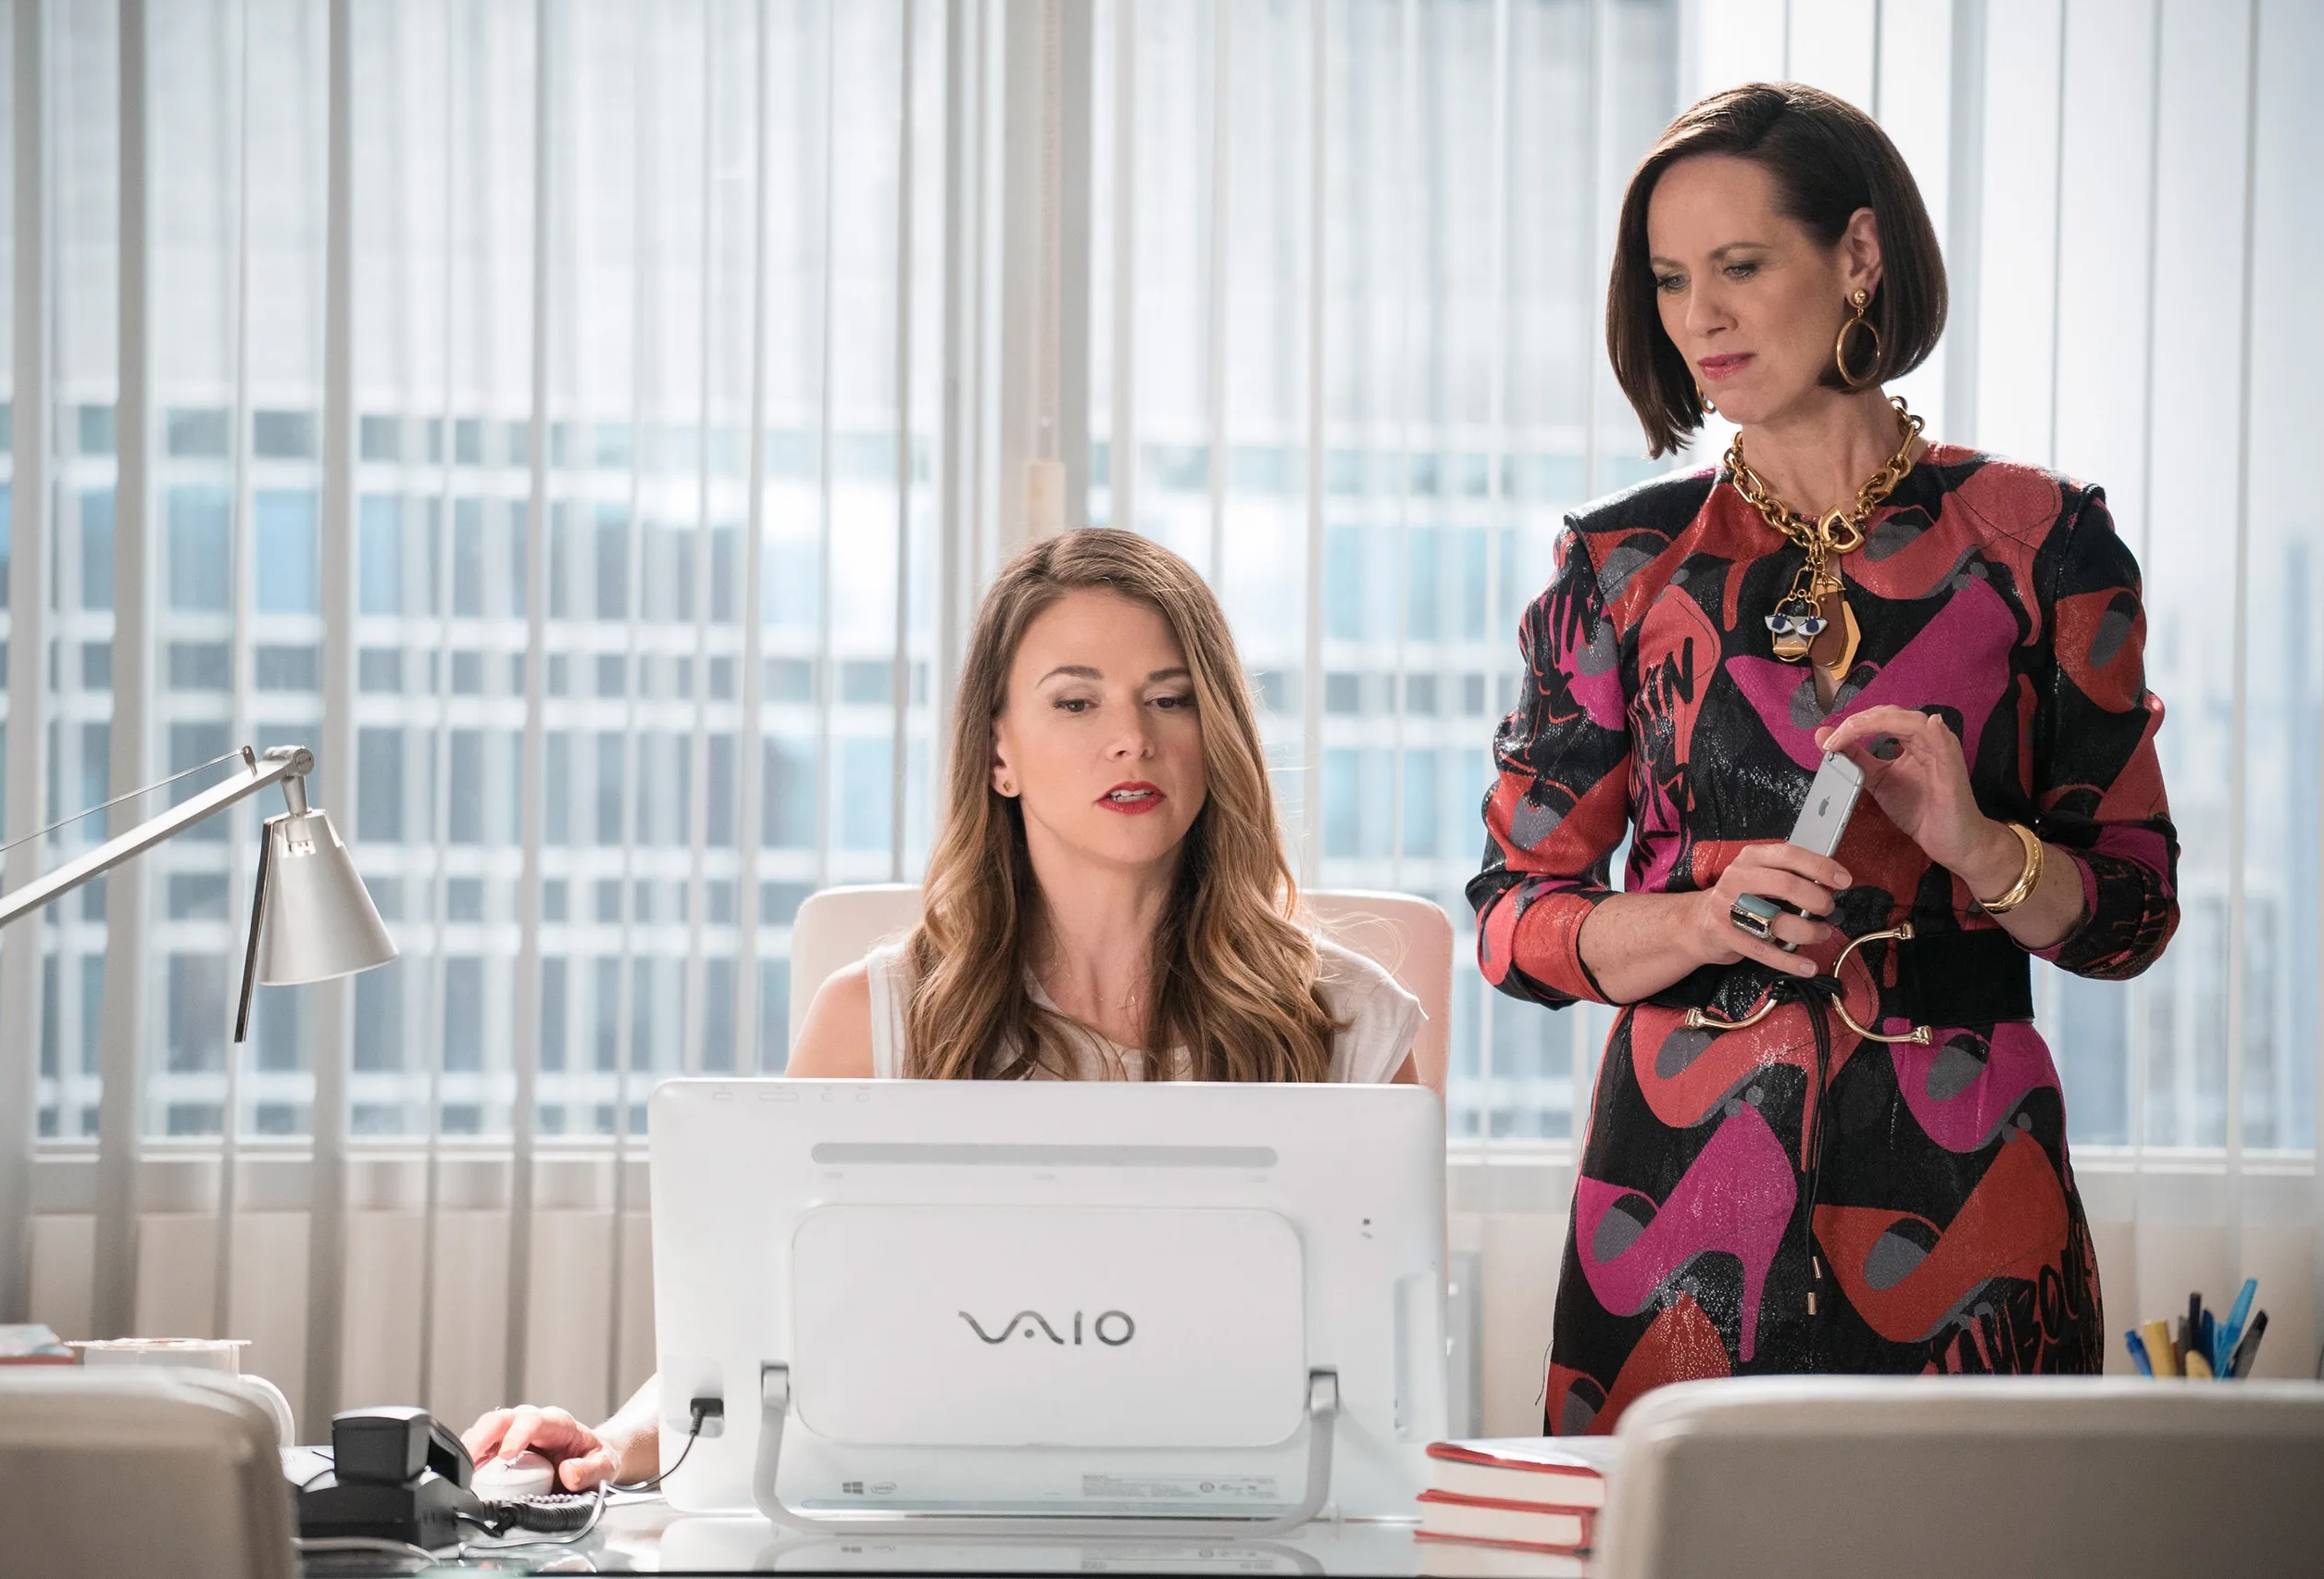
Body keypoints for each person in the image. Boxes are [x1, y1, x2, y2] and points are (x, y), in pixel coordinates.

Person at [1469, 83, 2177, 1435]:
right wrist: (1690, 920)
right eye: (1669, 280)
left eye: (1739, 266)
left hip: (1968, 1201)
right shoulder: (1621, 565)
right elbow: (1513, 918)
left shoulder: (2040, 545)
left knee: (1969, 1530)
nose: (1699, 317)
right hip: (1671, 1208)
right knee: (1674, 1535)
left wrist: (1982, 849)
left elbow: (2130, 916)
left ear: (1856, 254)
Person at [467, 528, 1423, 1486]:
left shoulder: (1347, 1023)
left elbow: (1392, 1377)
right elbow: (751, 1333)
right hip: (937, 1511)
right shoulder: (873, 1018)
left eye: (1169, 698)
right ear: (999, 751)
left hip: (1253, 1512)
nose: (1131, 737)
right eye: (1076, 701)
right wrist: (613, 1440)